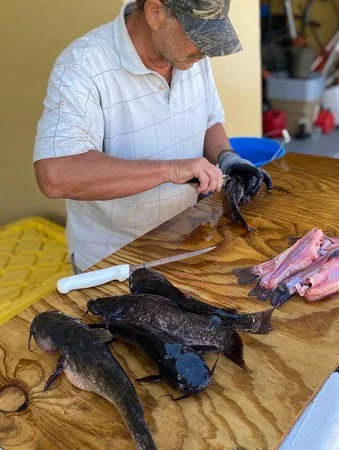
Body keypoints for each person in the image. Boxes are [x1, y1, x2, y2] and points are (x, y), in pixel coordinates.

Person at [33, 0, 271, 273]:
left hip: (184, 241)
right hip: (112, 260)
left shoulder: (189, 55)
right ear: (156, 12)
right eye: (198, 35)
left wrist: (227, 157)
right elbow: (56, 176)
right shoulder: (83, 66)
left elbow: (208, 120)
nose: (206, 51)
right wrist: (169, 170)